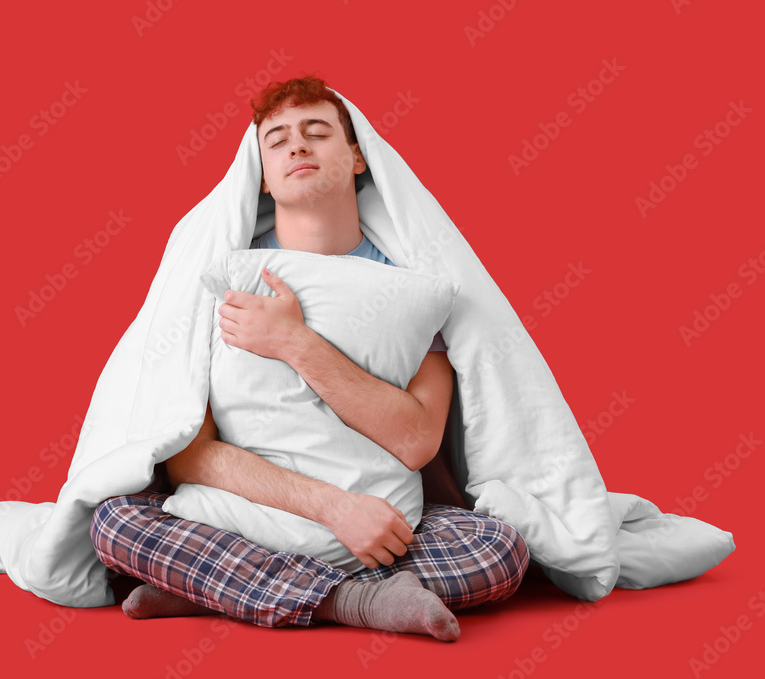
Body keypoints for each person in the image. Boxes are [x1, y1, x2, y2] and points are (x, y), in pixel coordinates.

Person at [90, 76, 529, 642]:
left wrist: (295, 343)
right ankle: (354, 600)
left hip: (378, 522)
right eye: (277, 140)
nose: (297, 145)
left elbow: (418, 440)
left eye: (317, 132)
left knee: (498, 549)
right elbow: (189, 457)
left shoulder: (411, 289)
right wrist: (335, 510)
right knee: (116, 521)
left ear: (355, 157)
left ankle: (223, 590)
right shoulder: (219, 277)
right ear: (263, 177)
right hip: (248, 515)